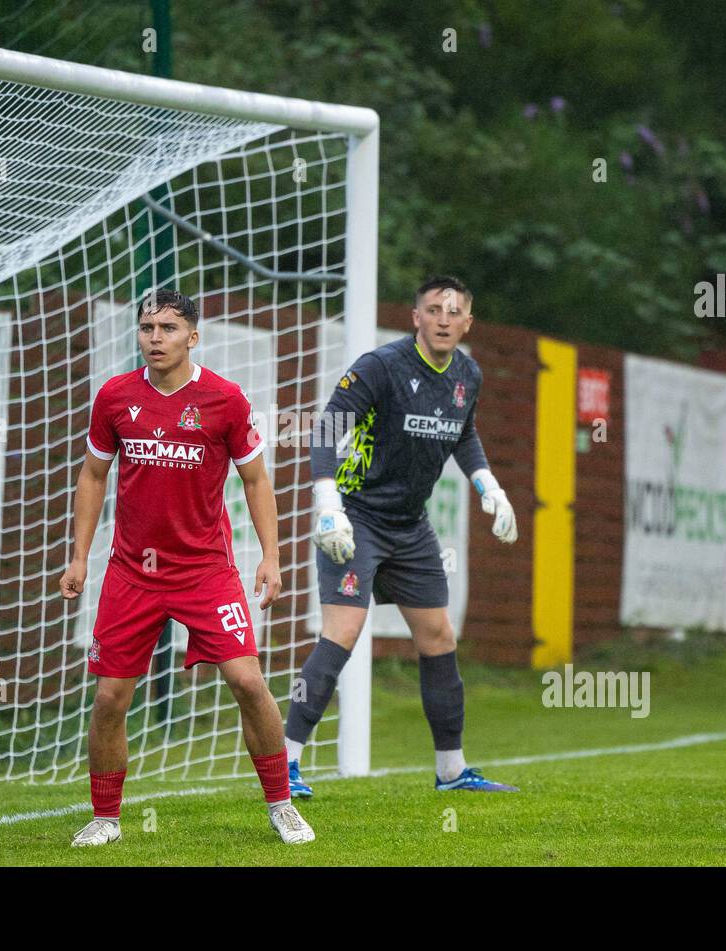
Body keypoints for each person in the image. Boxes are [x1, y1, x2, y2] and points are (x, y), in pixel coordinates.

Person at [60, 289, 314, 845]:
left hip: (205, 571)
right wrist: (79, 556)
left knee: (248, 681)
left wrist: (271, 557)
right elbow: (93, 477)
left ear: (192, 337)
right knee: (109, 699)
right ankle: (105, 816)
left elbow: (256, 480)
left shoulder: (225, 399)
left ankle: (281, 803)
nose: (156, 338)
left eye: (168, 328)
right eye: (147, 328)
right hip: (131, 573)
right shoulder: (114, 397)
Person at [288, 275, 520, 797]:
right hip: (356, 518)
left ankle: (451, 771)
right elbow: (327, 430)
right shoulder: (381, 366)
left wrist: (489, 487)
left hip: (410, 526)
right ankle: (286, 763)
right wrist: (327, 505)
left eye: (454, 311)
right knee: (342, 633)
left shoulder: (468, 374)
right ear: (415, 317)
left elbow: (464, 432)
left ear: (467, 323)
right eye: (434, 309)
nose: (443, 318)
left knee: (439, 637)